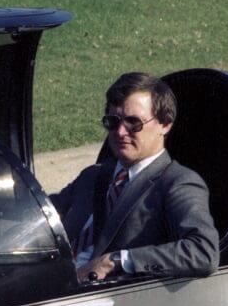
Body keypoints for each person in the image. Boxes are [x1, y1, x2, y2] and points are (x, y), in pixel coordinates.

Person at [50, 72, 218, 283]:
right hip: (46, 285)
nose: (120, 132)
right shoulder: (92, 176)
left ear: (165, 124)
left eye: (133, 122)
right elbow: (44, 214)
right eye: (113, 121)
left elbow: (203, 252)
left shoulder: (177, 182)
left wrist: (117, 261)